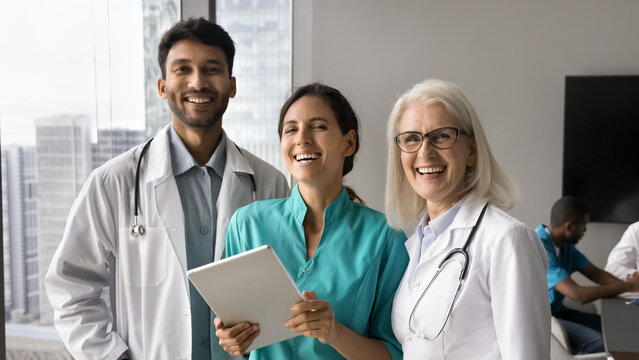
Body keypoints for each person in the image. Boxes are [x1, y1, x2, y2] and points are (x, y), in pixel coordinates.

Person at [44, 18, 289, 360]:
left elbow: (282, 290)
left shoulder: (269, 182)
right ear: (161, 86)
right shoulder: (114, 182)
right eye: (182, 69)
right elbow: (70, 287)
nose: (197, 82)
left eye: (211, 69)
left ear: (232, 85)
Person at [215, 83, 409, 359]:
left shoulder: (386, 238)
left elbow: (395, 353)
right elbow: (237, 341)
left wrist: (334, 333)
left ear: (349, 143)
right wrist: (234, 341)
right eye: (290, 129)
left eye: (318, 126)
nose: (301, 138)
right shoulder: (247, 225)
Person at [385, 78, 550, 359]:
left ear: (471, 150)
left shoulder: (506, 240)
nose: (425, 152)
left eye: (441, 136)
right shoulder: (416, 245)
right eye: (412, 138)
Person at [536, 196, 639, 354]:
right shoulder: (540, 245)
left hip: (559, 312)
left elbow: (596, 273)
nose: (585, 231)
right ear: (569, 226)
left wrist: (632, 288)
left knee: (612, 326)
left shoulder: (565, 246)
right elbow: (578, 295)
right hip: (544, 318)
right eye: (583, 226)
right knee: (598, 343)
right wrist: (628, 286)